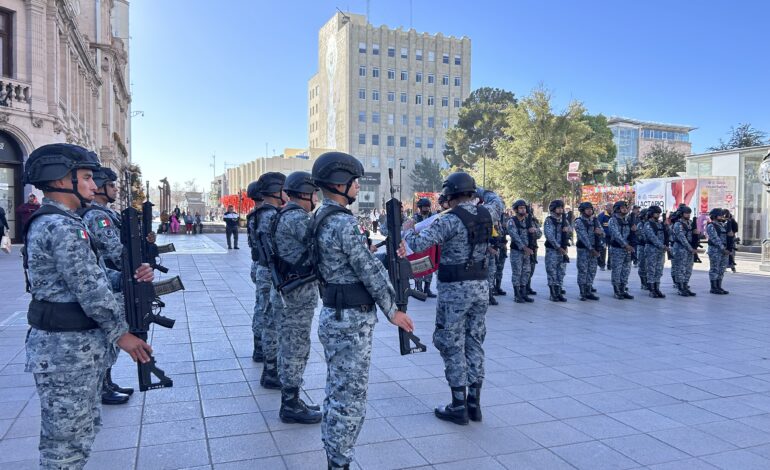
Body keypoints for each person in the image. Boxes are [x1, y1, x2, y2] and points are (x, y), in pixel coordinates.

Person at [21, 143, 154, 469]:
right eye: (86, 177)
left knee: (79, 432)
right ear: (61, 179)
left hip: (74, 350)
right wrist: (122, 334)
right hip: (66, 352)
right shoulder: (61, 226)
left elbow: (90, 274)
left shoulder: (62, 221)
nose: (94, 185)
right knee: (65, 446)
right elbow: (89, 289)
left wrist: (128, 278)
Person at [310, 152, 414, 470]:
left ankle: (335, 457)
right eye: (354, 181)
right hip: (349, 321)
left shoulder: (320, 216)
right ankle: (339, 463)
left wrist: (377, 254)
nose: (357, 187)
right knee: (350, 398)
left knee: (338, 390)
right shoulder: (342, 221)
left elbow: (350, 262)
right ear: (340, 183)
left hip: (337, 314)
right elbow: (367, 271)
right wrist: (393, 309)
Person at [403, 172, 504, 427]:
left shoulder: (448, 220)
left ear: (450, 195)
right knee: (475, 341)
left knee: (450, 342)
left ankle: (458, 404)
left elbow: (417, 243)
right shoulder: (488, 212)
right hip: (481, 287)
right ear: (471, 193)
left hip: (453, 290)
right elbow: (496, 199)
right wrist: (476, 189)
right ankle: (475, 404)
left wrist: (407, 230)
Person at [268, 171, 322, 424]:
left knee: (289, 345)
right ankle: (290, 404)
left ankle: (292, 398)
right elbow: (324, 245)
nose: (316, 198)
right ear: (304, 193)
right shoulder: (298, 218)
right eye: (313, 193)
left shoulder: (281, 215)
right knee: (296, 348)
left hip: (287, 292)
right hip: (296, 297)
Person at [78, 167, 134, 405]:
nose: (115, 189)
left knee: (110, 339)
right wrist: (134, 262)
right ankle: (103, 385)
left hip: (111, 275)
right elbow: (114, 248)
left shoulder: (103, 213)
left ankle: (107, 381)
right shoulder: (97, 216)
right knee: (108, 337)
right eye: (111, 186)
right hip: (111, 278)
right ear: (101, 188)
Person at [250, 172, 287, 389]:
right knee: (271, 319)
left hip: (264, 268)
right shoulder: (270, 215)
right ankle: (271, 370)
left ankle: (265, 357)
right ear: (275, 191)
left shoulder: (261, 212)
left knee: (264, 313)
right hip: (270, 271)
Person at [245, 182, 265, 361]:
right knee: (264, 308)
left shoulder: (253, 215)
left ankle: (258, 347)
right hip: (264, 266)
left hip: (256, 264)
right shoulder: (266, 215)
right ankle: (262, 349)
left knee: (260, 306)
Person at [507, 199, 535, 303]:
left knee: (526, 272)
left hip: (528, 251)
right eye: (520, 208)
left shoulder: (529, 221)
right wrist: (524, 248)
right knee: (517, 272)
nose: (523, 210)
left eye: (524, 208)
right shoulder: (512, 221)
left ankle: (524, 292)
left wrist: (534, 231)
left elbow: (539, 233)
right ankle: (517, 294)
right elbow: (514, 236)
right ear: (516, 209)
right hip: (517, 251)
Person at [608, 201, 635, 299]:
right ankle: (617, 290)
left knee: (626, 270)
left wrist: (634, 230)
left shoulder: (628, 220)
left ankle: (623, 289)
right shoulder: (613, 220)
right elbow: (616, 234)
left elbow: (633, 234)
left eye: (626, 207)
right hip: (617, 249)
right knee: (617, 270)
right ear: (617, 209)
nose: (625, 209)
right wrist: (625, 244)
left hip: (628, 249)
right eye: (622, 207)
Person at [574, 202, 601, 301]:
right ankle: (582, 292)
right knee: (583, 270)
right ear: (582, 211)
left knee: (592, 271)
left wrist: (600, 232)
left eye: (591, 209)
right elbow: (583, 237)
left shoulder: (595, 220)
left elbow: (602, 232)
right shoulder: (579, 221)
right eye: (587, 209)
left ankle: (589, 291)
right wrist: (591, 249)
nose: (590, 211)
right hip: (584, 250)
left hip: (594, 250)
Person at [543, 199, 569, 302]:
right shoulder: (549, 220)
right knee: (552, 271)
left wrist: (568, 230)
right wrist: (558, 247)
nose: (561, 210)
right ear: (553, 209)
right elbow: (549, 235)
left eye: (561, 208)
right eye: (558, 208)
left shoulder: (564, 220)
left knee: (561, 272)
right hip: (553, 250)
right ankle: (553, 293)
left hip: (563, 250)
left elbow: (570, 230)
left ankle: (559, 292)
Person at [642, 206, 669, 298]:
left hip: (660, 250)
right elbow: (652, 237)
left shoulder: (660, 224)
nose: (658, 215)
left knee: (659, 270)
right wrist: (663, 246)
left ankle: (657, 288)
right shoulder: (648, 224)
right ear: (651, 214)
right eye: (656, 213)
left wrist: (666, 227)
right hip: (651, 249)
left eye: (659, 213)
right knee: (651, 269)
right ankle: (651, 289)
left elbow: (667, 235)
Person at [412, 198, 436, 298]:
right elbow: (412, 230)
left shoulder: (432, 217)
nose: (426, 209)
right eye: (424, 207)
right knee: (418, 267)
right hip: (418, 246)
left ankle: (427, 288)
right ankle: (419, 289)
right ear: (420, 208)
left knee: (429, 267)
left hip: (429, 246)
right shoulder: (415, 218)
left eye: (427, 207)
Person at [671, 205, 697, 296]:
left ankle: (685, 286)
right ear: (681, 214)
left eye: (689, 213)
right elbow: (682, 238)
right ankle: (681, 288)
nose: (688, 215)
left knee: (688, 269)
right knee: (680, 269)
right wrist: (690, 248)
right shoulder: (678, 224)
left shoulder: (690, 223)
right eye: (686, 213)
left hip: (689, 249)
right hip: (680, 248)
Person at [706, 208, 730, 294]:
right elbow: (715, 238)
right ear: (715, 216)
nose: (722, 216)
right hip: (715, 250)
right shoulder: (711, 226)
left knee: (721, 269)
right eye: (720, 215)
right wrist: (723, 248)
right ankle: (713, 287)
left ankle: (719, 286)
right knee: (714, 268)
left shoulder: (722, 225)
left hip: (723, 250)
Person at [597, 202, 612, 270]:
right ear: (606, 207)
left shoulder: (614, 215)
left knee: (611, 250)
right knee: (603, 250)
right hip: (603, 236)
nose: (611, 208)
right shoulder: (601, 215)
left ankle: (610, 265)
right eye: (610, 206)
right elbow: (599, 225)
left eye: (612, 206)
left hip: (611, 236)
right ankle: (602, 265)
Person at [636, 209, 649, 290]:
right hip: (642, 247)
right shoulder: (640, 225)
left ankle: (648, 282)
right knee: (642, 265)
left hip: (649, 247)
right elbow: (643, 237)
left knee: (648, 266)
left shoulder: (649, 224)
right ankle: (643, 283)